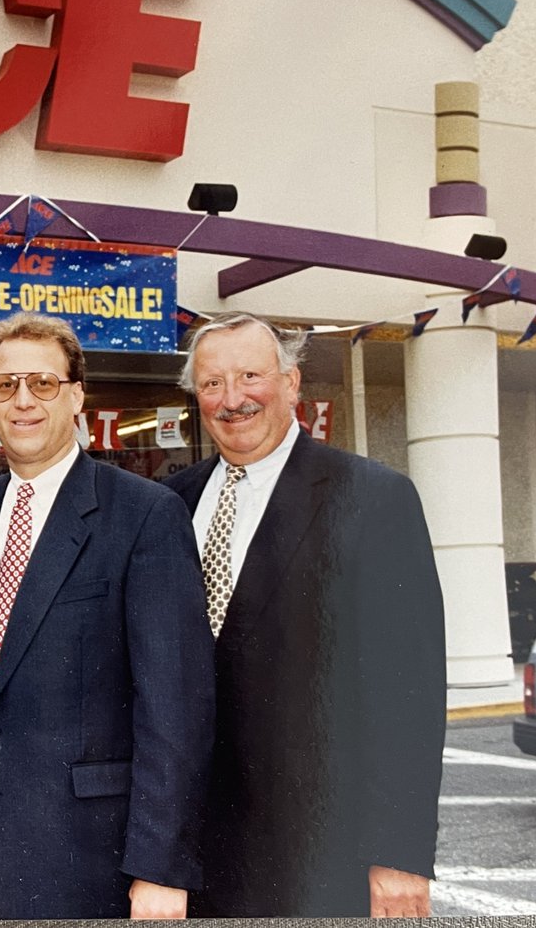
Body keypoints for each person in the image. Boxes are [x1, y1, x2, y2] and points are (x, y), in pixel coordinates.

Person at [164, 311, 446, 917]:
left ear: (292, 384)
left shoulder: (371, 498)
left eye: (250, 376)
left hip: (319, 857)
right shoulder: (172, 502)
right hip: (194, 857)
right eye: (212, 383)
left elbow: (408, 691)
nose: (232, 399)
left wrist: (399, 855)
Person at [0, 312, 214, 920]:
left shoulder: (144, 515)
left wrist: (161, 869)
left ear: (76, 396)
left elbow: (175, 710)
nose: (24, 401)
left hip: (98, 863)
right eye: (6, 386)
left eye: (43, 383)